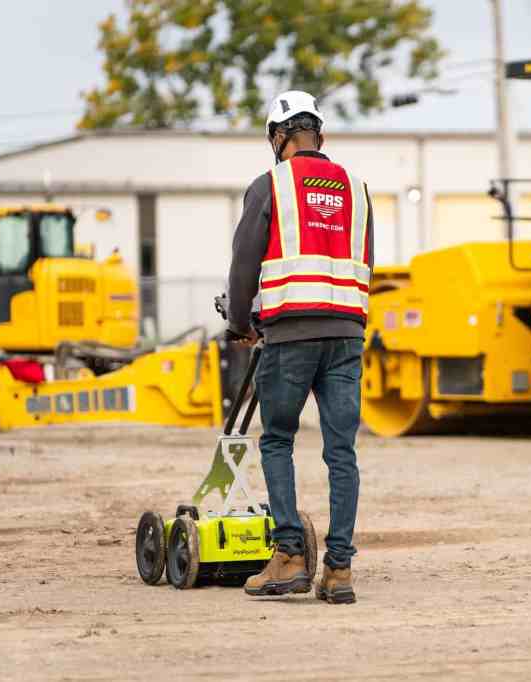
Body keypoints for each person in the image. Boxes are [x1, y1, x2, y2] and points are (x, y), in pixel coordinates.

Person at [226, 90, 373, 604]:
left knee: (277, 440)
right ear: (320, 136)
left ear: (278, 137)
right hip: (347, 335)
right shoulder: (358, 189)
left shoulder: (270, 185)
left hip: (291, 336)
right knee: (342, 452)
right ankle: (338, 571)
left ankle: (288, 555)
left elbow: (244, 263)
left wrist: (240, 322)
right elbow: (363, 259)